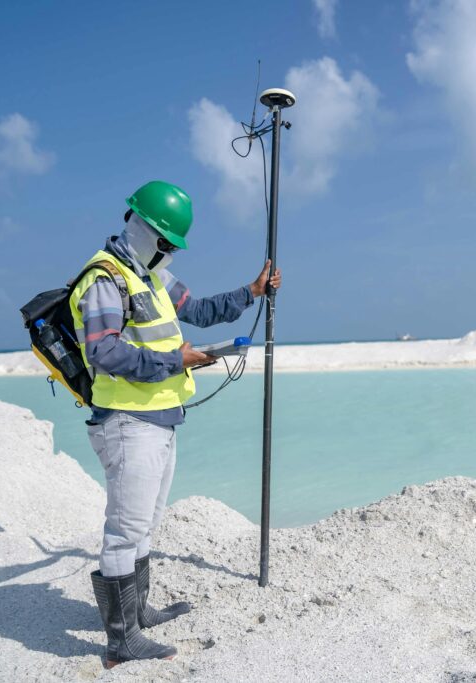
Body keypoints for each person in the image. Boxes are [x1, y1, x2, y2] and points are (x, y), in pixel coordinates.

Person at [70, 180, 281, 667]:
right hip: (127, 421)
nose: (168, 253)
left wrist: (251, 292)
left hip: (159, 420)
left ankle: (138, 611)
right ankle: (121, 641)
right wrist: (175, 359)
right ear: (142, 228)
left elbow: (201, 311)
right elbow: (102, 350)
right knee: (124, 531)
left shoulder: (151, 276)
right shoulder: (106, 278)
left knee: (144, 525)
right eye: (165, 242)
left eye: (172, 246)